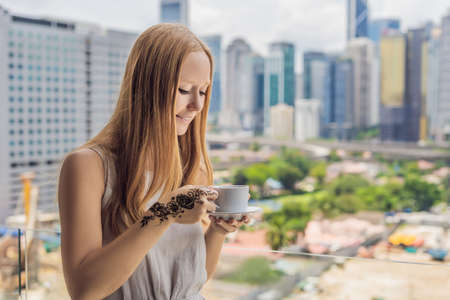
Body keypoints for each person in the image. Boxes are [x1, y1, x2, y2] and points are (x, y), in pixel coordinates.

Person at [57, 23, 249, 300]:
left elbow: (192, 280)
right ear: (147, 89)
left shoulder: (195, 167)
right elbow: (84, 289)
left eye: (204, 91)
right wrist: (165, 213)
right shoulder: (88, 167)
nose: (197, 105)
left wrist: (218, 231)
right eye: (184, 90)